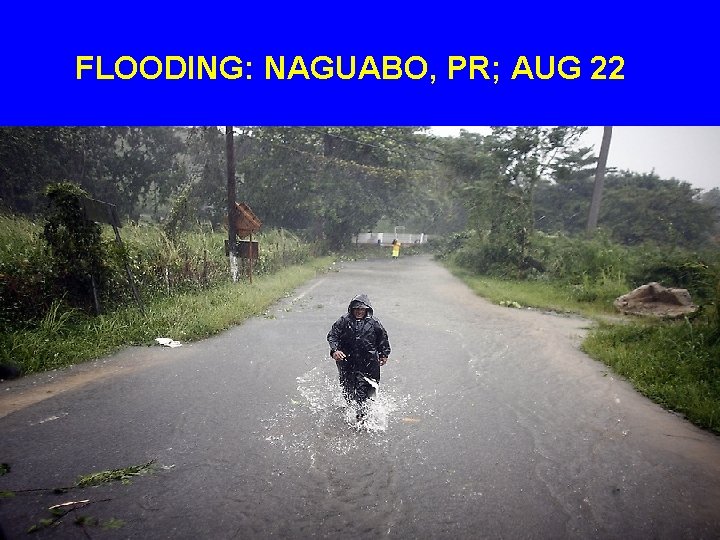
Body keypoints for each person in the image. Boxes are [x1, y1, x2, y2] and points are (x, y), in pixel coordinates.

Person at [327, 293, 391, 422]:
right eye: (356, 309)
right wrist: (335, 350)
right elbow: (332, 335)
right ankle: (353, 407)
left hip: (368, 362)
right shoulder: (344, 321)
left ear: (367, 310)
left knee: (366, 388)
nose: (359, 312)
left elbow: (382, 339)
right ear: (352, 309)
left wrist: (384, 354)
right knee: (347, 387)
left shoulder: (374, 323)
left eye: (362, 309)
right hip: (347, 361)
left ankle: (362, 414)